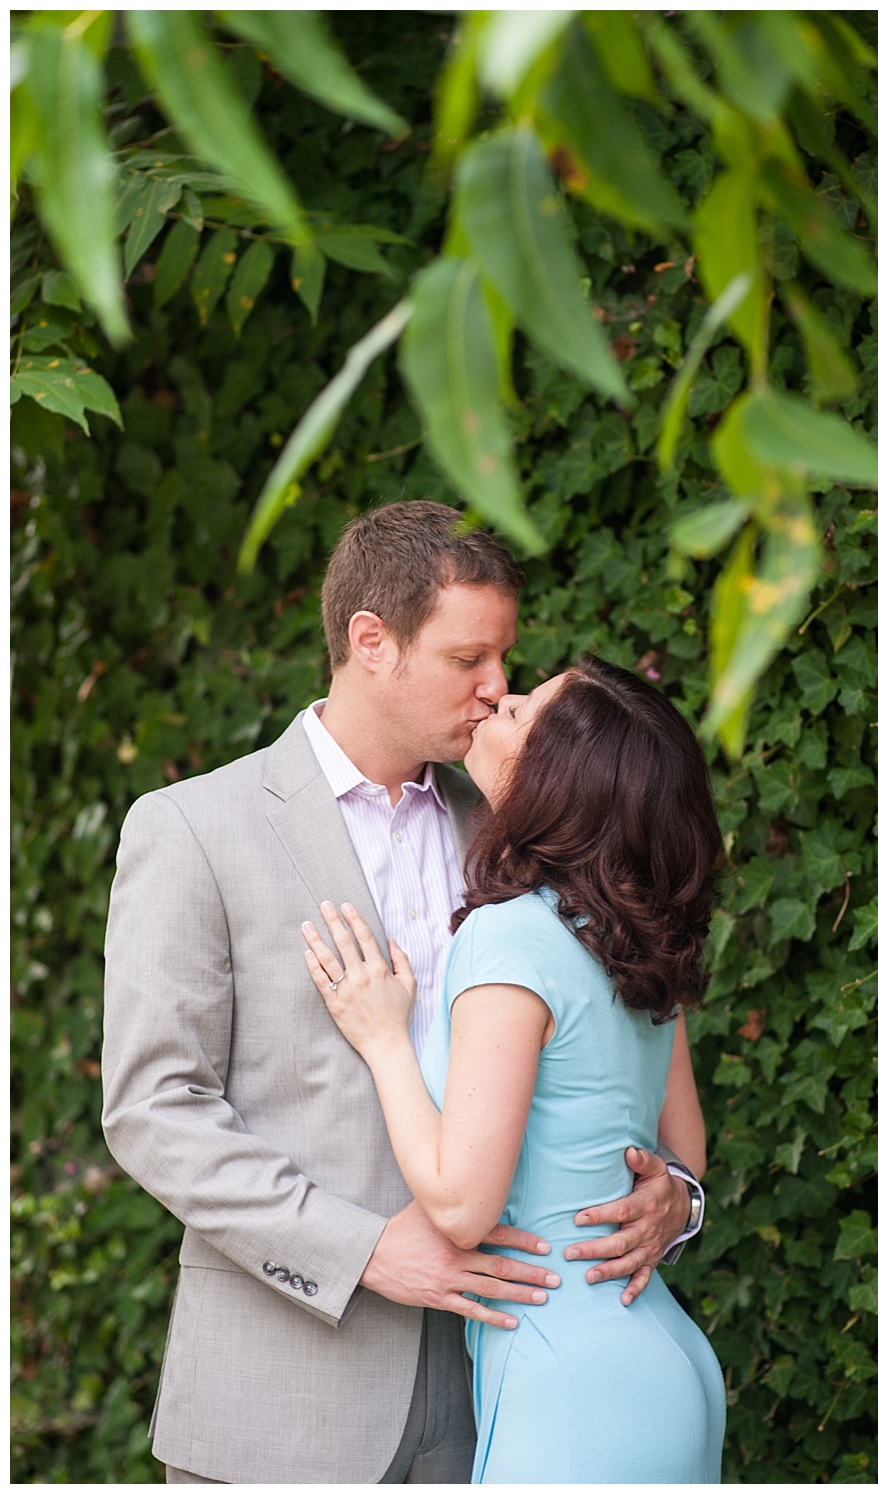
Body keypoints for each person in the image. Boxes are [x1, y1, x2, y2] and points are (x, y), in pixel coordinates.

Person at [101, 502, 705, 1485]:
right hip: (289, 1396)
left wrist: (675, 1200)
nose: (496, 686)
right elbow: (153, 1112)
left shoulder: (519, 824)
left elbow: (617, 1039)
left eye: (505, 659)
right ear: (370, 644)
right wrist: (363, 1253)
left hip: (504, 1383)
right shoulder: (192, 828)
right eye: (468, 659)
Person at [304, 653, 727, 1483]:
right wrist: (679, 1201)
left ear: (559, 778)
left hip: (571, 1377)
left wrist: (385, 1038)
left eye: (526, 710)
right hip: (662, 1353)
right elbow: (687, 1154)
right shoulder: (624, 932)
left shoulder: (508, 935)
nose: (501, 698)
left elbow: (462, 1204)